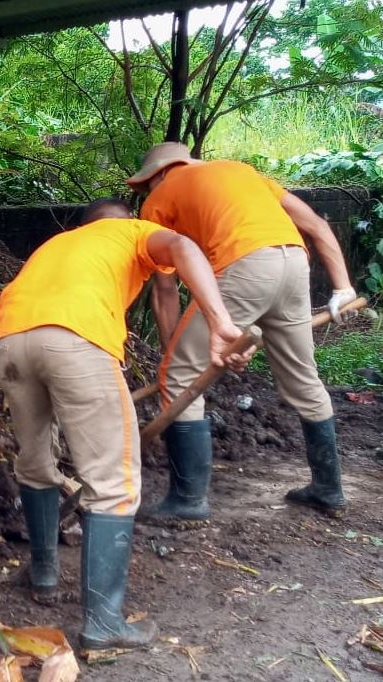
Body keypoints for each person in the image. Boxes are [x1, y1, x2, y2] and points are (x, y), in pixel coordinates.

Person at [0, 198, 247, 650]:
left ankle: (44, 575)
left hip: (9, 341)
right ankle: (104, 624)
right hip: (76, 338)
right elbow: (185, 247)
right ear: (131, 222)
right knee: (113, 483)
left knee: (34, 461)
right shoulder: (133, 234)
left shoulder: (59, 243)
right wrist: (221, 323)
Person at [128, 143, 357, 523]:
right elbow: (315, 224)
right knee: (304, 379)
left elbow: (165, 290)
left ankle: (187, 500)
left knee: (180, 374)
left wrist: (172, 357)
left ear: (157, 174)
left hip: (244, 265)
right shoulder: (242, 172)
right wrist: (342, 287)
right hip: (294, 264)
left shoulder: (161, 197)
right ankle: (328, 489)